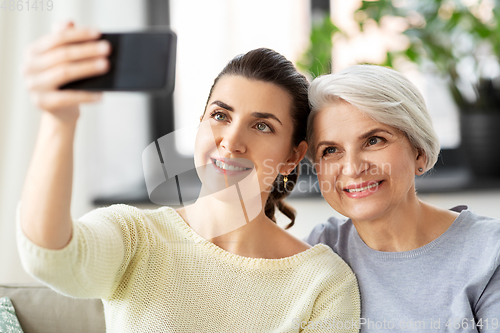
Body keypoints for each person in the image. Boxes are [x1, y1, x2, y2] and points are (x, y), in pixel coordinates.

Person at [17, 22, 360, 332]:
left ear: (292, 157)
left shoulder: (323, 283)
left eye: (261, 126)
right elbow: (54, 259)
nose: (231, 141)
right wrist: (59, 120)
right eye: (220, 115)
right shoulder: (135, 236)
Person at [305, 64, 500, 332]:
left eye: (374, 140)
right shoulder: (319, 250)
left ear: (419, 151)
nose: (352, 168)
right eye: (330, 150)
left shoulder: (489, 253)